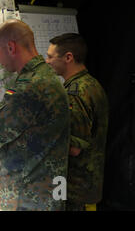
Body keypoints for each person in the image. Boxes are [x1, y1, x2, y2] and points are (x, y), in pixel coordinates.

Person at [0, 19, 70, 211]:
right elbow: (19, 122)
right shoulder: (46, 78)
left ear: (10, 47)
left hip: (27, 200)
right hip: (48, 195)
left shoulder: (27, 89)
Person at [46, 33, 109, 211]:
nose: (47, 61)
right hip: (88, 186)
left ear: (68, 57)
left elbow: (74, 148)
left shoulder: (74, 95)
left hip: (75, 191)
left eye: (51, 56)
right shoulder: (91, 84)